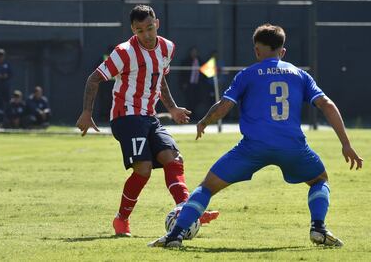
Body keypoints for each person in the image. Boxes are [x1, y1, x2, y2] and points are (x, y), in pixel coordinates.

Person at [148, 24, 363, 248]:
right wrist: (346, 144)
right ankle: (318, 227)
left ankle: (176, 235)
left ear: (257, 51)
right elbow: (326, 104)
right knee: (319, 180)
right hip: (293, 147)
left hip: (252, 148)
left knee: (207, 187)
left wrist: (204, 122)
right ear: (283, 51)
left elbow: (224, 106)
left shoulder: (248, 74)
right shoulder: (300, 75)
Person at [76, 5, 219, 237]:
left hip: (149, 117)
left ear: (157, 24)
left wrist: (171, 108)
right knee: (143, 170)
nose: (146, 34)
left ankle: (189, 212)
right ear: (133, 30)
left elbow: (160, 78)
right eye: (140, 30)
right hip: (126, 117)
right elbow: (94, 79)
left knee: (173, 159)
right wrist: (86, 112)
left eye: (150, 28)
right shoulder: (123, 52)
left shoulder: (167, 47)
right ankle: (121, 220)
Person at [180, 47, 204, 120]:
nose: (194, 53)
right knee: (189, 100)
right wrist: (183, 83)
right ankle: (189, 116)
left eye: (195, 52)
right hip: (189, 84)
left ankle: (195, 115)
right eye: (193, 52)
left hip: (198, 85)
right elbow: (182, 74)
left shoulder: (200, 61)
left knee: (197, 100)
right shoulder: (186, 61)